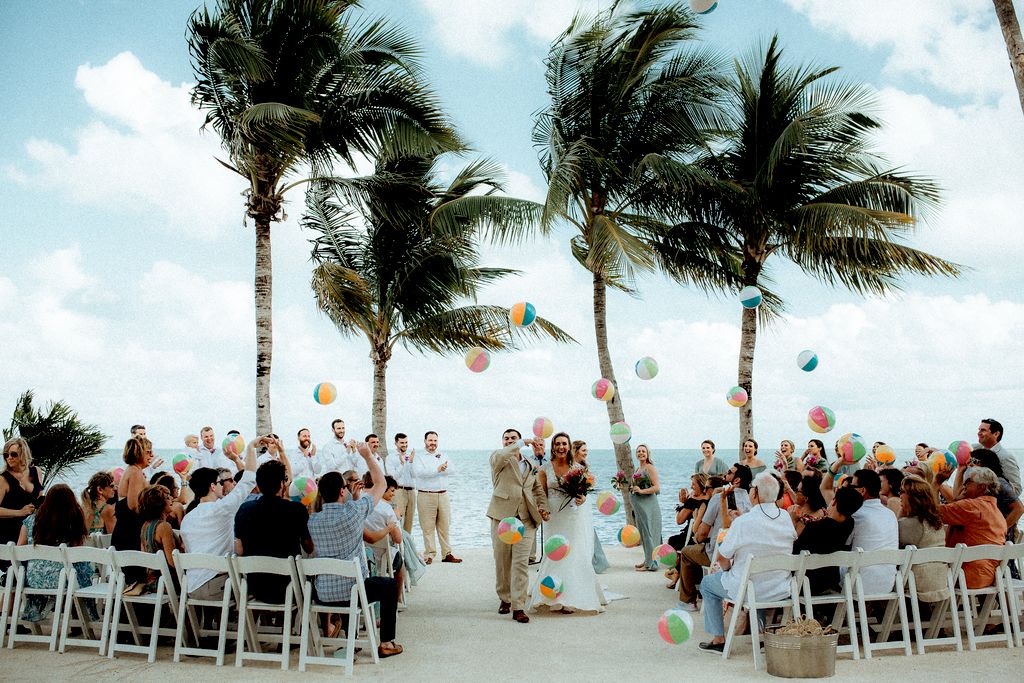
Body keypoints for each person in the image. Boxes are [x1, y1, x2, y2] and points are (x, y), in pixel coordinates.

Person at [307, 445, 403, 658]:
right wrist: (367, 455)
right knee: (388, 585)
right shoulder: (354, 512)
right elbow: (381, 484)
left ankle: (351, 640)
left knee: (347, 579)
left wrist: (355, 497)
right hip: (352, 593)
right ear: (343, 491)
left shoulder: (313, 521)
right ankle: (386, 642)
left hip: (323, 595)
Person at [698, 472, 797, 653]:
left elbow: (722, 559)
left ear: (755, 493)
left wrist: (728, 570)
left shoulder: (743, 522)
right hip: (780, 588)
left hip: (748, 588)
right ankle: (760, 634)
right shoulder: (785, 518)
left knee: (707, 584)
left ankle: (718, 639)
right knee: (756, 578)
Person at [180, 439, 258, 601]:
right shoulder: (221, 509)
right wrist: (251, 448)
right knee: (257, 585)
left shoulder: (187, 518)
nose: (222, 486)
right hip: (217, 587)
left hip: (191, 587)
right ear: (212, 486)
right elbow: (248, 480)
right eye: (219, 482)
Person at [486, 429, 549, 623]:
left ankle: (518, 606)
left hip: (526, 519)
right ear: (502, 441)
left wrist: (544, 508)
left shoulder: (529, 463)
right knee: (503, 561)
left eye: (513, 438)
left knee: (521, 563)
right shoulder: (498, 458)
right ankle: (504, 598)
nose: (510, 441)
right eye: (507, 438)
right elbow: (505, 453)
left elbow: (537, 488)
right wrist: (521, 442)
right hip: (502, 517)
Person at [234, 460, 314, 603]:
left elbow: (239, 550)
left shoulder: (245, 509)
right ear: (282, 484)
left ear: (258, 485)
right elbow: (309, 548)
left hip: (256, 587)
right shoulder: (296, 510)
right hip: (290, 587)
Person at [676, 464, 753, 611]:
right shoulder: (750, 501)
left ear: (736, 480)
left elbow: (703, 532)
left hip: (719, 555)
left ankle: (688, 601)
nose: (726, 473)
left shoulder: (719, 498)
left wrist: (697, 539)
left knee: (686, 552)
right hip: (740, 555)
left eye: (729, 472)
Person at [16, 485, 94, 622]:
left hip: (33, 579)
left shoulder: (30, 521)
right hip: (62, 580)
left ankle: (37, 611)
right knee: (81, 572)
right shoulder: (72, 520)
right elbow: (76, 551)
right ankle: (80, 617)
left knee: (74, 572)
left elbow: (19, 549)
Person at [934, 466, 1007, 588]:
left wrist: (936, 483)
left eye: (968, 482)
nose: (963, 485)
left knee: (916, 574)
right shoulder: (998, 513)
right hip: (989, 576)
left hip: (964, 575)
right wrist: (958, 499)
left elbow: (931, 512)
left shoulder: (971, 506)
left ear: (982, 487)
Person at [793, 487, 862, 595]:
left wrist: (793, 521)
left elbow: (795, 551)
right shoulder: (849, 524)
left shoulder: (815, 527)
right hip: (830, 580)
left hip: (807, 583)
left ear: (834, 501)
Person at [844, 468, 899, 593]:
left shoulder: (856, 515)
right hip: (887, 582)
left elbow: (843, 543)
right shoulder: (890, 514)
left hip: (858, 582)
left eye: (852, 486)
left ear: (862, 490)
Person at [897, 476, 947, 602]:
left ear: (912, 497)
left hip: (915, 585)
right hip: (939, 581)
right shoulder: (937, 523)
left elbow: (894, 550)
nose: (899, 495)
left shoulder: (908, 525)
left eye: (902, 492)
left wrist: (900, 514)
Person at [413, 431, 459, 564]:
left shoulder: (444, 455)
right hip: (426, 495)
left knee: (445, 525)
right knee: (427, 526)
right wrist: (437, 470)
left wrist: (444, 468)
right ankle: (430, 554)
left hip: (443, 494)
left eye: (435, 441)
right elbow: (419, 473)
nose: (433, 443)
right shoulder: (419, 457)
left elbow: (453, 469)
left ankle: (447, 554)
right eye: (430, 440)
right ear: (425, 441)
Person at [362, 474, 405, 602]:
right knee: (401, 566)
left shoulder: (358, 504)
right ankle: (396, 600)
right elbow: (398, 539)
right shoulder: (386, 509)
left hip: (364, 557)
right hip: (383, 557)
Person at [111, 435, 154, 556]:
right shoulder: (135, 472)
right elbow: (134, 505)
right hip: (130, 533)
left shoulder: (132, 470)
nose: (151, 455)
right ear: (139, 453)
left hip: (124, 530)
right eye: (148, 452)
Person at [137, 484, 183, 592]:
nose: (171, 499)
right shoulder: (164, 527)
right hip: (166, 582)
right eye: (167, 497)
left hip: (151, 581)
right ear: (159, 503)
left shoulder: (145, 526)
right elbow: (173, 561)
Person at [969, 448, 1024, 537]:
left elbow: (1019, 509)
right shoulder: (981, 484)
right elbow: (956, 497)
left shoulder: (1000, 483)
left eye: (975, 461)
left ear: (986, 464)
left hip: (1000, 538)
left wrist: (1001, 530)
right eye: (970, 461)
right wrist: (960, 470)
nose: (971, 465)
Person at [572, 440, 609, 574]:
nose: (586, 453)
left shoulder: (583, 467)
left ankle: (592, 560)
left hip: (585, 502)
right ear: (575, 451)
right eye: (583, 450)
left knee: (586, 529)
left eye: (586, 450)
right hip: (576, 502)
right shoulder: (571, 466)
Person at [1, 437, 43, 548]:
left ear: (23, 454)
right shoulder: (3, 479)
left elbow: (39, 498)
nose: (9, 458)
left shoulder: (36, 471)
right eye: (6, 455)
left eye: (13, 454)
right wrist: (20, 512)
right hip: (9, 532)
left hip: (32, 530)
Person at [630, 443, 662, 571]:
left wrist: (641, 491)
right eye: (638, 451)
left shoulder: (650, 468)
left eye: (643, 451)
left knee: (649, 532)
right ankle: (647, 560)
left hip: (649, 505)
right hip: (640, 506)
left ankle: (651, 563)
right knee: (643, 533)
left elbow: (656, 487)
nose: (641, 453)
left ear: (648, 453)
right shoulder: (638, 469)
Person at [975, 418, 1021, 496]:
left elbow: (1017, 490)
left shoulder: (1005, 457)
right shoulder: (974, 449)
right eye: (979, 430)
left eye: (983, 430)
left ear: (996, 434)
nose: (978, 433)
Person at [392, 433, 416, 533]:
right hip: (399, 491)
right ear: (396, 443)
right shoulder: (391, 457)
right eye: (402, 443)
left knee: (409, 522)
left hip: (411, 492)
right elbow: (393, 477)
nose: (404, 445)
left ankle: (407, 547)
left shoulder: (410, 457)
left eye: (406, 442)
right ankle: (399, 547)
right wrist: (402, 465)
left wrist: (410, 462)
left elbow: (415, 475)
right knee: (399, 521)